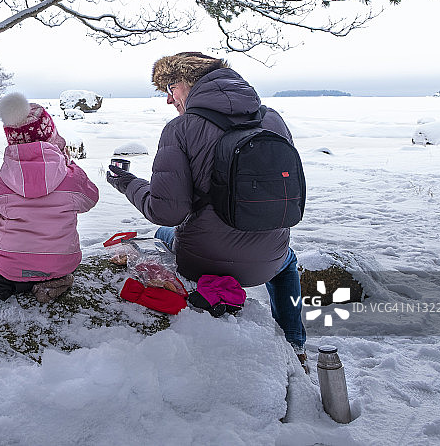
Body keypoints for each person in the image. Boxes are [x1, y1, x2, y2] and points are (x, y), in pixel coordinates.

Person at [105, 52, 307, 368]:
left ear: (190, 81)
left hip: (202, 260)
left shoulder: (180, 129)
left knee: (162, 233)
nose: (169, 100)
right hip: (269, 261)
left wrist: (127, 182)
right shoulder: (273, 120)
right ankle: (295, 345)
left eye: (171, 87)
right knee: (288, 262)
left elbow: (166, 212)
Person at [0, 92, 99, 303]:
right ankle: (50, 282)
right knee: (47, 262)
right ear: (52, 139)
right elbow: (91, 198)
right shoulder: (71, 178)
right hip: (63, 263)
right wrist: (70, 166)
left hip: (9, 266)